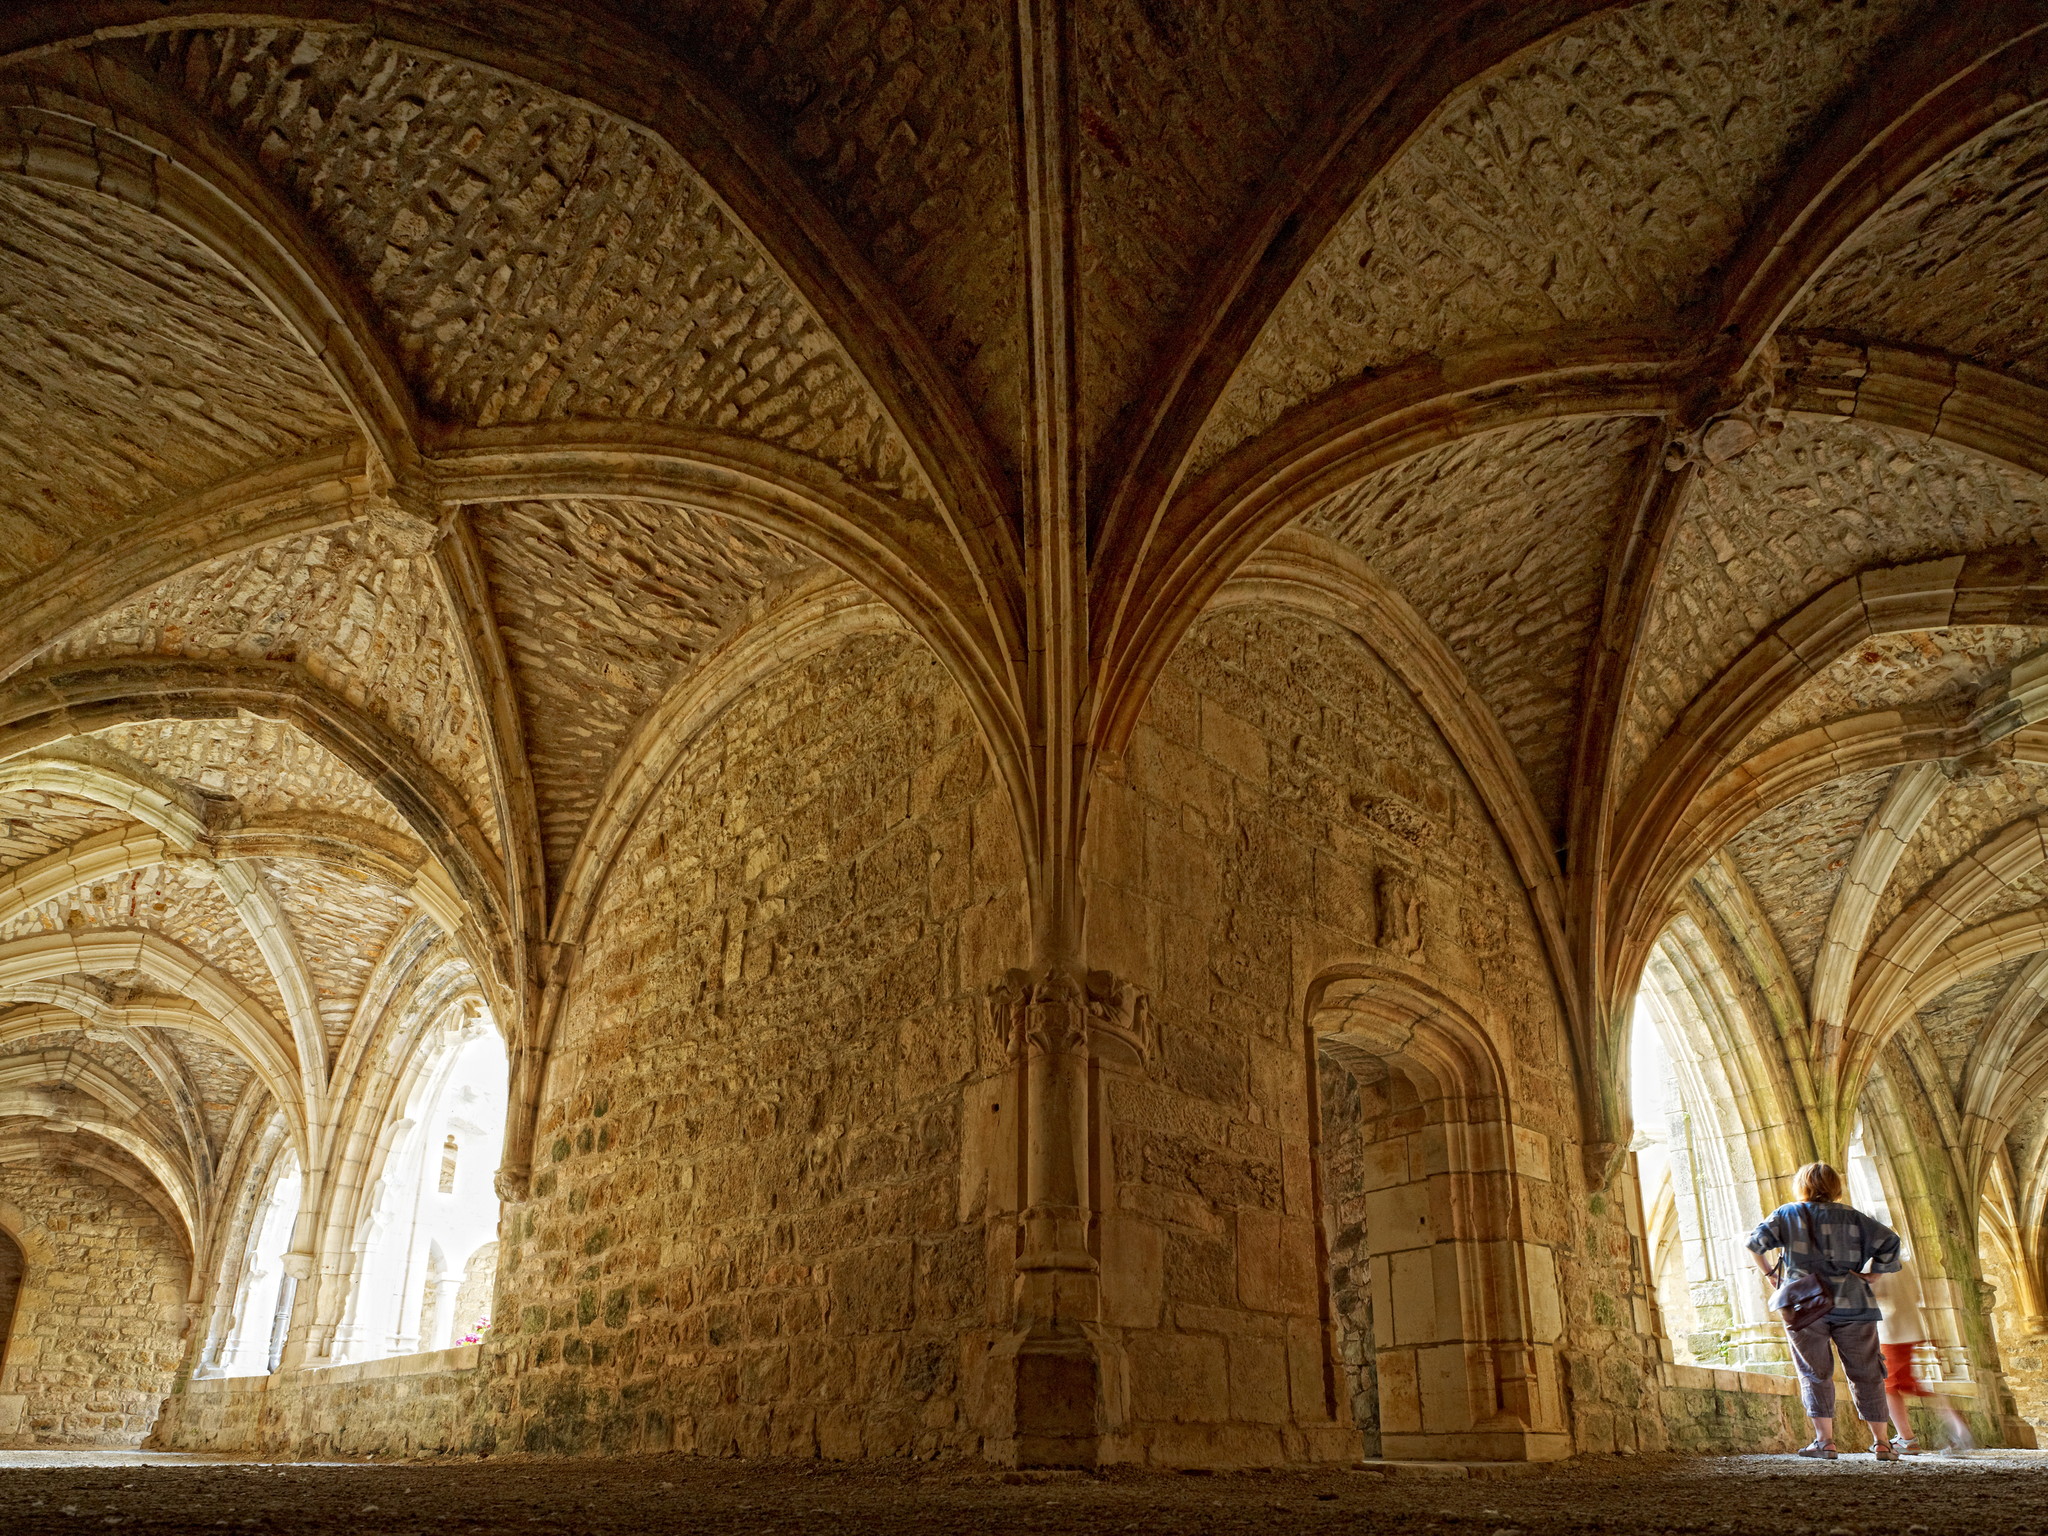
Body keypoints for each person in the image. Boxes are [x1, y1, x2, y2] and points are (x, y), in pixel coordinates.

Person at [1747, 1161, 1903, 1460]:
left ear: (1801, 1185)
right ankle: (1882, 1443)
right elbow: (1891, 1243)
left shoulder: (1787, 1214)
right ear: (1835, 1187)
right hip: (1855, 1303)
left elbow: (1754, 1244)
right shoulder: (1855, 1218)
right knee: (1867, 1373)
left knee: (1815, 1373)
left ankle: (1825, 1442)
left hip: (1806, 1306)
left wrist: (1771, 1275)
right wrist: (1873, 1274)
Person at [1870, 1262, 1974, 1456]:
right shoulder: (1902, 1262)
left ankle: (1907, 1438)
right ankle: (1957, 1426)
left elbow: (1870, 1295)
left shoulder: (1873, 1264)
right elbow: (1916, 1295)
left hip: (1890, 1332)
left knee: (1888, 1386)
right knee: (1909, 1385)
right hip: (1910, 1328)